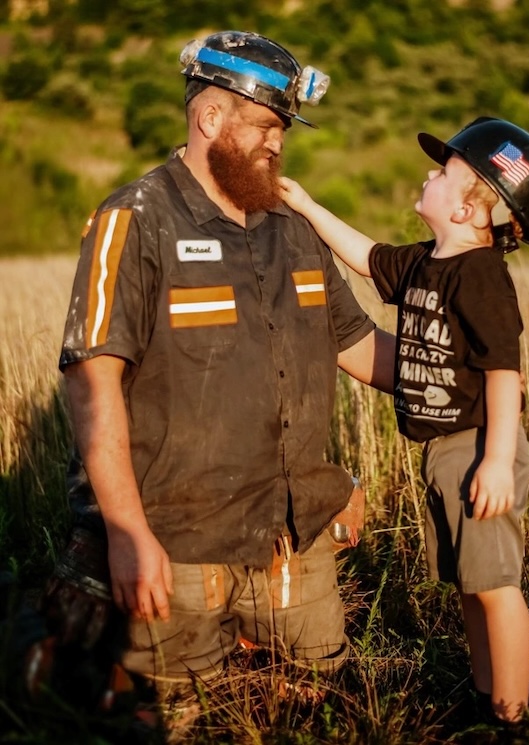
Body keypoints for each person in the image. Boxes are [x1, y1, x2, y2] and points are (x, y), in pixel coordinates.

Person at [44, 30, 395, 701]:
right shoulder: (135, 218)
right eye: (266, 125)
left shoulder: (294, 226)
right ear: (210, 117)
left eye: (284, 128)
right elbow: (93, 383)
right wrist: (124, 532)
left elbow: (354, 343)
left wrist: (448, 379)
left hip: (289, 539)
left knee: (325, 694)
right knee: (175, 710)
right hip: (176, 540)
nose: (278, 142)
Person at [280, 116, 529, 728]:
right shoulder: (425, 263)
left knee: (496, 585)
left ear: (468, 209)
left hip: (479, 445)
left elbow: (503, 372)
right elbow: (363, 256)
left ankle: (513, 718)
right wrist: (304, 203)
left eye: (444, 172)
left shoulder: (480, 274)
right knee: (469, 583)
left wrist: (495, 460)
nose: (428, 175)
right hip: (445, 451)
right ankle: (485, 694)